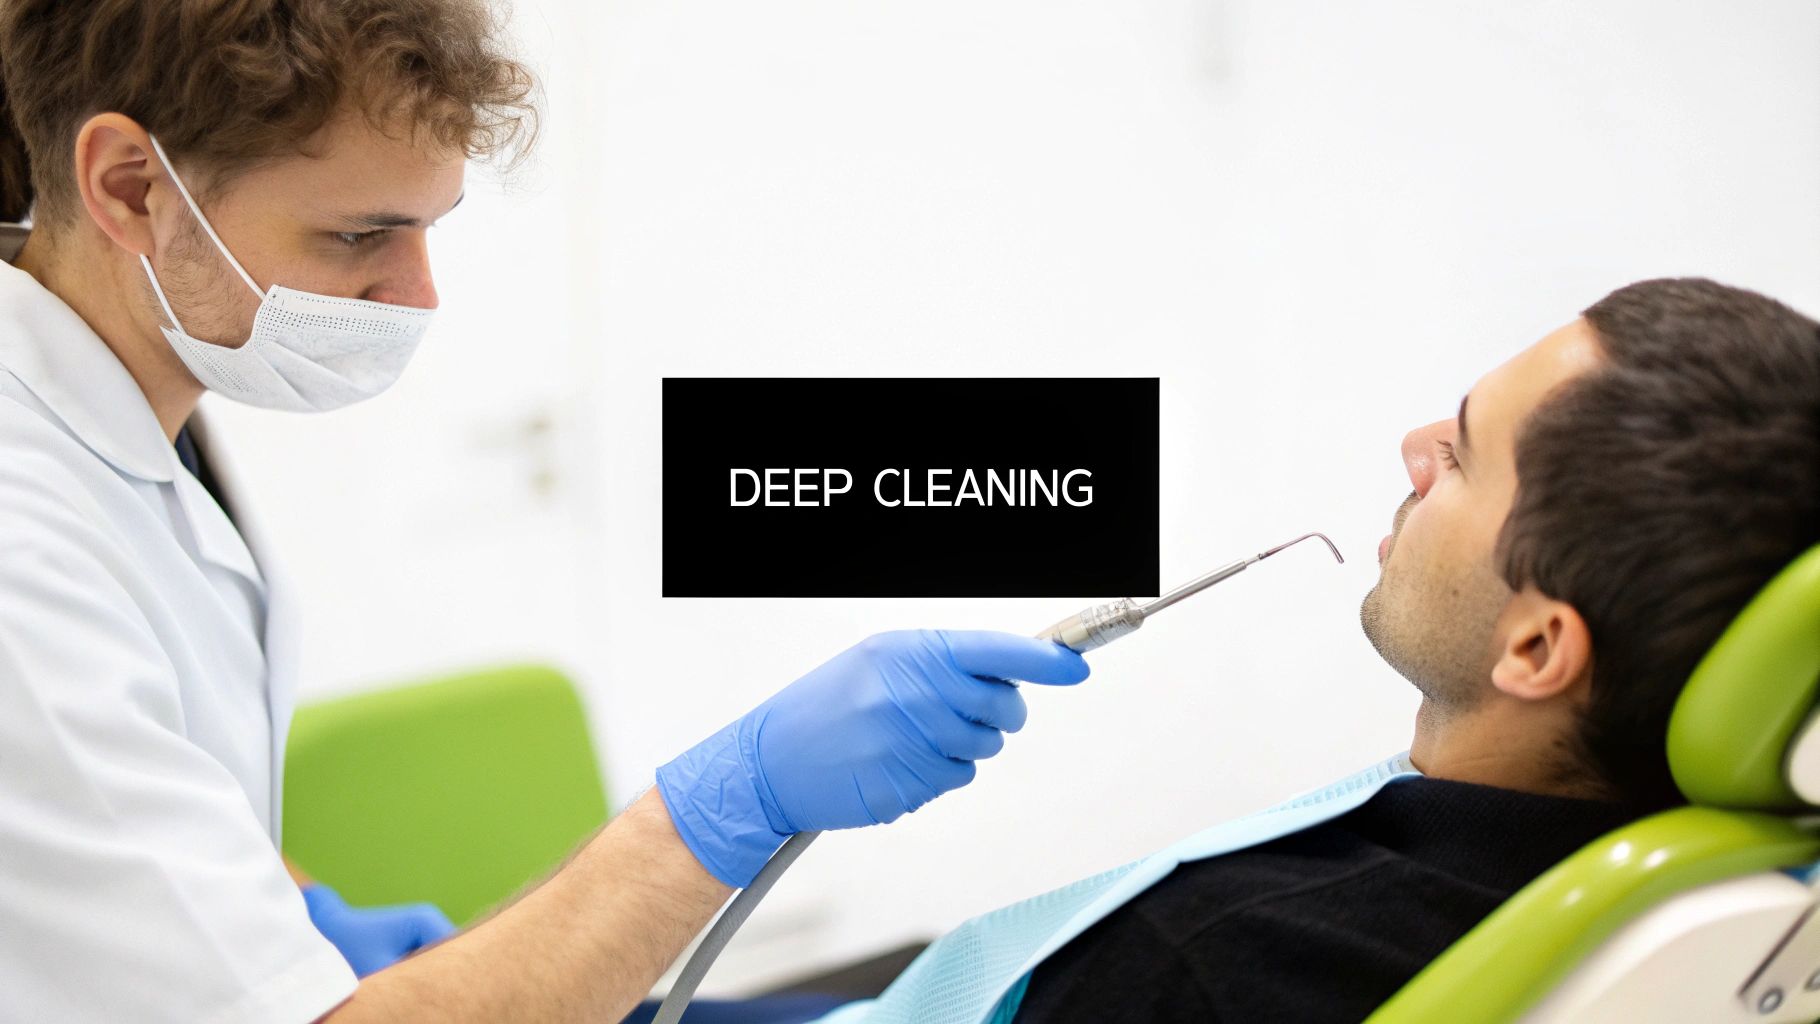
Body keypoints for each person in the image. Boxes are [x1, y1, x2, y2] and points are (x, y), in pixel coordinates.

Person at [0, 3, 1091, 1022]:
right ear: (133, 188)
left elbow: (140, 794)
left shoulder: (130, 415)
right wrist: (729, 805)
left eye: (429, 229)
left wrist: (294, 915)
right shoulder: (25, 545)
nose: (418, 293)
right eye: (357, 235)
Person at [816, 278, 1820, 1023]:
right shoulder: (1725, 892)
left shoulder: (1206, 964)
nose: (1414, 448)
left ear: (1536, 645)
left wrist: (705, 821)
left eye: (1462, 453)